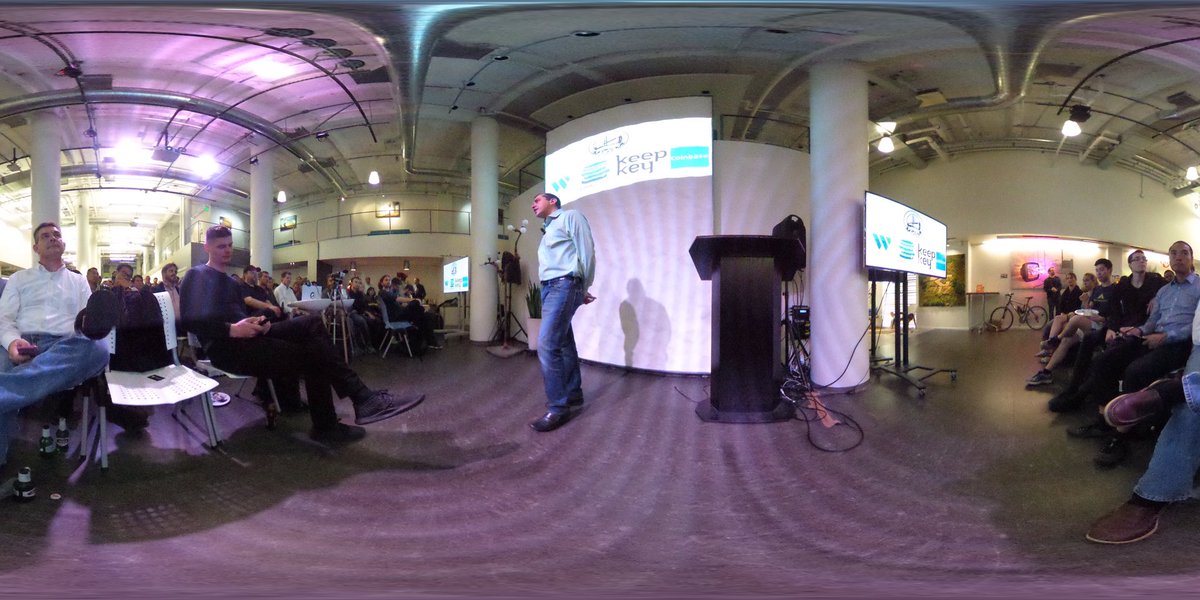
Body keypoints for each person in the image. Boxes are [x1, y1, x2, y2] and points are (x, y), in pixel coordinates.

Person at [179, 226, 424, 443]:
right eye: (221, 246)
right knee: (315, 352)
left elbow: (239, 317)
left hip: (250, 337)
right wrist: (232, 329)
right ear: (207, 247)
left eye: (230, 245)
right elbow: (189, 320)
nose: (227, 250)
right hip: (225, 348)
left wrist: (257, 321)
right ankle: (349, 408)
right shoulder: (197, 275)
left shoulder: (232, 284)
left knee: (313, 324)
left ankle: (358, 402)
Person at [1066, 242, 1200, 468]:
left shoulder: (1198, 287)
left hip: (1179, 344)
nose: (1179, 257)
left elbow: (1197, 326)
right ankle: (1104, 420)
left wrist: (1166, 337)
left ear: (1191, 257)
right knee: (1104, 361)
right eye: (1174, 253)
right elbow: (1152, 321)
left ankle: (1121, 436)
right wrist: (1138, 330)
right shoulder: (1164, 291)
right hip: (1152, 336)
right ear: (1169, 259)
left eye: (1184, 253)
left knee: (1135, 371)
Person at [0, 222, 119, 468]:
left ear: (63, 243)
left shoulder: (79, 282)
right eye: (45, 236)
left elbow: (87, 326)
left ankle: (7, 389)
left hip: (65, 347)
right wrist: (11, 343)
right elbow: (4, 319)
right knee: (2, 362)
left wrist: (95, 325)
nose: (53, 238)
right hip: (23, 341)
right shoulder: (19, 279)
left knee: (98, 349)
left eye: (56, 235)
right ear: (36, 247)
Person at [529, 192, 596, 432]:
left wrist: (583, 287)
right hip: (549, 288)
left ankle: (558, 408)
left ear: (552, 201)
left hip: (563, 284)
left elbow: (587, 252)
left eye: (537, 200)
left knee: (547, 345)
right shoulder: (547, 229)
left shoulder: (571, 216)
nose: (533, 205)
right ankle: (573, 393)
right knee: (564, 343)